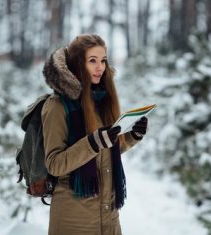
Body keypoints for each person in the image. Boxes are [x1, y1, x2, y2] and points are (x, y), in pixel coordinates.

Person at [42, 34, 148, 235]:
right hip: (73, 220)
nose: (100, 67)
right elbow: (54, 164)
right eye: (92, 61)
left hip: (108, 216)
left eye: (103, 60)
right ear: (76, 63)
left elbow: (106, 150)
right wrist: (92, 143)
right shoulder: (57, 106)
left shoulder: (101, 101)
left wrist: (133, 135)